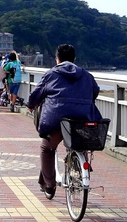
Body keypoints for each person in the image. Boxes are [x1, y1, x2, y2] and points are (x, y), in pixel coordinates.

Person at [27, 44, 102, 198]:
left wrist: (31, 104)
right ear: (74, 59)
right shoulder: (86, 75)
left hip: (56, 119)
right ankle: (80, 172)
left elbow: (37, 93)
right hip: (81, 118)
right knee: (79, 144)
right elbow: (95, 92)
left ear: (57, 59)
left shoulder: (51, 74)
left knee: (47, 149)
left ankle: (49, 185)